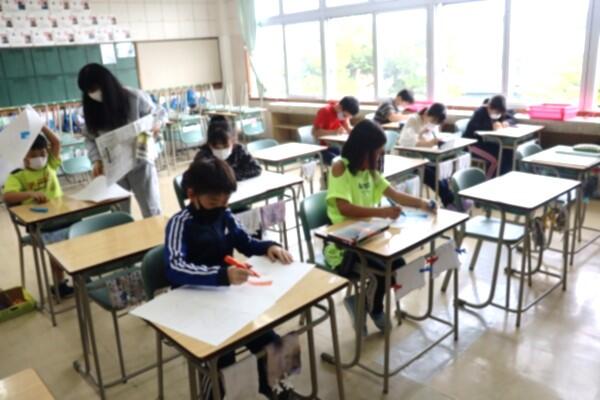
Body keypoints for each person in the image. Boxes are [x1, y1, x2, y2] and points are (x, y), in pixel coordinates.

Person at [164, 158, 296, 399]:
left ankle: (278, 390)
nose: (220, 206)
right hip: (193, 302)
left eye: (225, 200)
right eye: (213, 201)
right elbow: (174, 268)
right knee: (222, 359)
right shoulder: (179, 223)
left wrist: (269, 246)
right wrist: (221, 275)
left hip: (226, 296)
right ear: (192, 194)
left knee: (273, 343)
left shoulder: (225, 214)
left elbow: (245, 242)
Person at [325, 120, 436, 332]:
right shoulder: (340, 167)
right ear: (362, 150)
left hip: (368, 235)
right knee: (386, 268)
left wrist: (423, 203)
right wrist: (381, 212)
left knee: (398, 264)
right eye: (376, 153)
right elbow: (344, 208)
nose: (378, 157)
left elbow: (395, 194)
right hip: (344, 244)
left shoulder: (370, 171)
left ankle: (363, 303)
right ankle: (372, 307)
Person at [77, 63, 162, 218]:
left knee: (151, 210)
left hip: (140, 162)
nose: (93, 93)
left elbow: (159, 115)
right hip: (113, 168)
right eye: (88, 91)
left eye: (95, 88)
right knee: (119, 215)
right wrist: (96, 160)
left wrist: (156, 125)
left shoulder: (134, 98)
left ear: (107, 83)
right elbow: (90, 139)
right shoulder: (90, 109)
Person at [3, 129, 73, 297]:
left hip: (62, 217)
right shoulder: (18, 175)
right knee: (57, 244)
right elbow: (7, 196)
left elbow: (56, 142)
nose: (40, 158)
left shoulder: (50, 165)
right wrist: (29, 194)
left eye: (43, 153)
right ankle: (59, 284)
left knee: (82, 233)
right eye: (34, 155)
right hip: (40, 224)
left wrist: (40, 126)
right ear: (23, 156)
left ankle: (81, 273)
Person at [399, 103, 455, 208]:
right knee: (432, 176)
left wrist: (436, 141)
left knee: (440, 175)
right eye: (433, 120)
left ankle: (450, 200)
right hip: (410, 160)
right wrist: (426, 140)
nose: (434, 124)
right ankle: (450, 201)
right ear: (426, 114)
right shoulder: (413, 120)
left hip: (425, 159)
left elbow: (432, 140)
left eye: (436, 123)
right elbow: (406, 142)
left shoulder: (432, 124)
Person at [194, 115, 262, 181]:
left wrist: (231, 176)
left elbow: (256, 168)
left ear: (233, 140)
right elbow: (194, 178)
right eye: (215, 147)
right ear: (209, 144)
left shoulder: (239, 150)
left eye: (225, 146)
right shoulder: (203, 155)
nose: (221, 150)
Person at [463, 95, 512, 178]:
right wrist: (491, 127)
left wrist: (507, 122)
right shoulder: (479, 113)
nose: (497, 114)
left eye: (499, 112)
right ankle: (489, 181)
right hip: (473, 144)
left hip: (488, 144)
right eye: (496, 111)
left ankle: (504, 177)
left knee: (508, 153)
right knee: (496, 159)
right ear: (489, 106)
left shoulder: (500, 112)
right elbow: (474, 130)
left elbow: (511, 117)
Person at [312, 96, 360, 165]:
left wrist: (359, 133)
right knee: (342, 163)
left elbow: (348, 128)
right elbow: (314, 132)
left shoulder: (343, 113)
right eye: (345, 116)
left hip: (336, 146)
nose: (345, 118)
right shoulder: (325, 111)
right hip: (323, 149)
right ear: (339, 107)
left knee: (353, 157)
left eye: (347, 117)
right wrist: (334, 132)